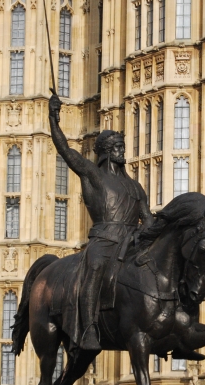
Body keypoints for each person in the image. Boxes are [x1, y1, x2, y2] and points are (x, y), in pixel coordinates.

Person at [48, 92, 153, 352]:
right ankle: (89, 328)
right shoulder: (94, 175)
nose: (122, 151)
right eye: (117, 147)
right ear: (106, 151)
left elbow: (148, 220)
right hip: (104, 241)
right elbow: (65, 150)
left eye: (122, 146)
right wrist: (53, 118)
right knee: (94, 266)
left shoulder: (135, 187)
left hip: (130, 242)